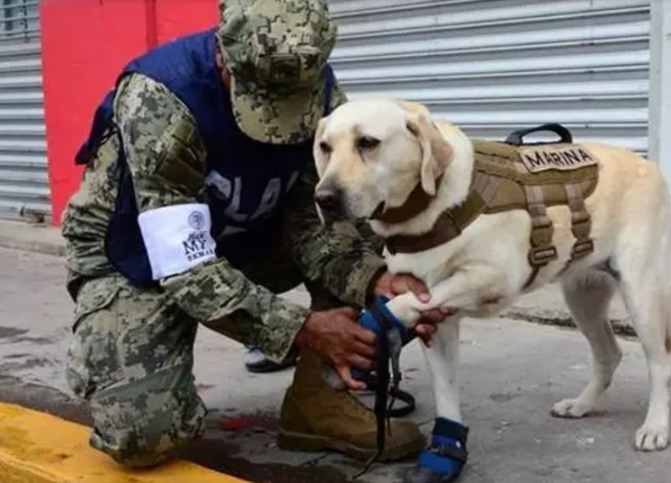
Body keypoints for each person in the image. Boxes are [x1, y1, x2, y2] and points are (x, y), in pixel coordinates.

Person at [61, 0, 451, 469]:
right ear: (223, 55)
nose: (281, 120)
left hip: (245, 236)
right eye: (263, 99)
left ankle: (317, 400)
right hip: (133, 258)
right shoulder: (161, 101)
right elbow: (185, 263)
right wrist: (299, 330)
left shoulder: (321, 92)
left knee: (365, 227)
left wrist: (374, 281)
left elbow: (314, 220)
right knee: (143, 437)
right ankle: (110, 354)